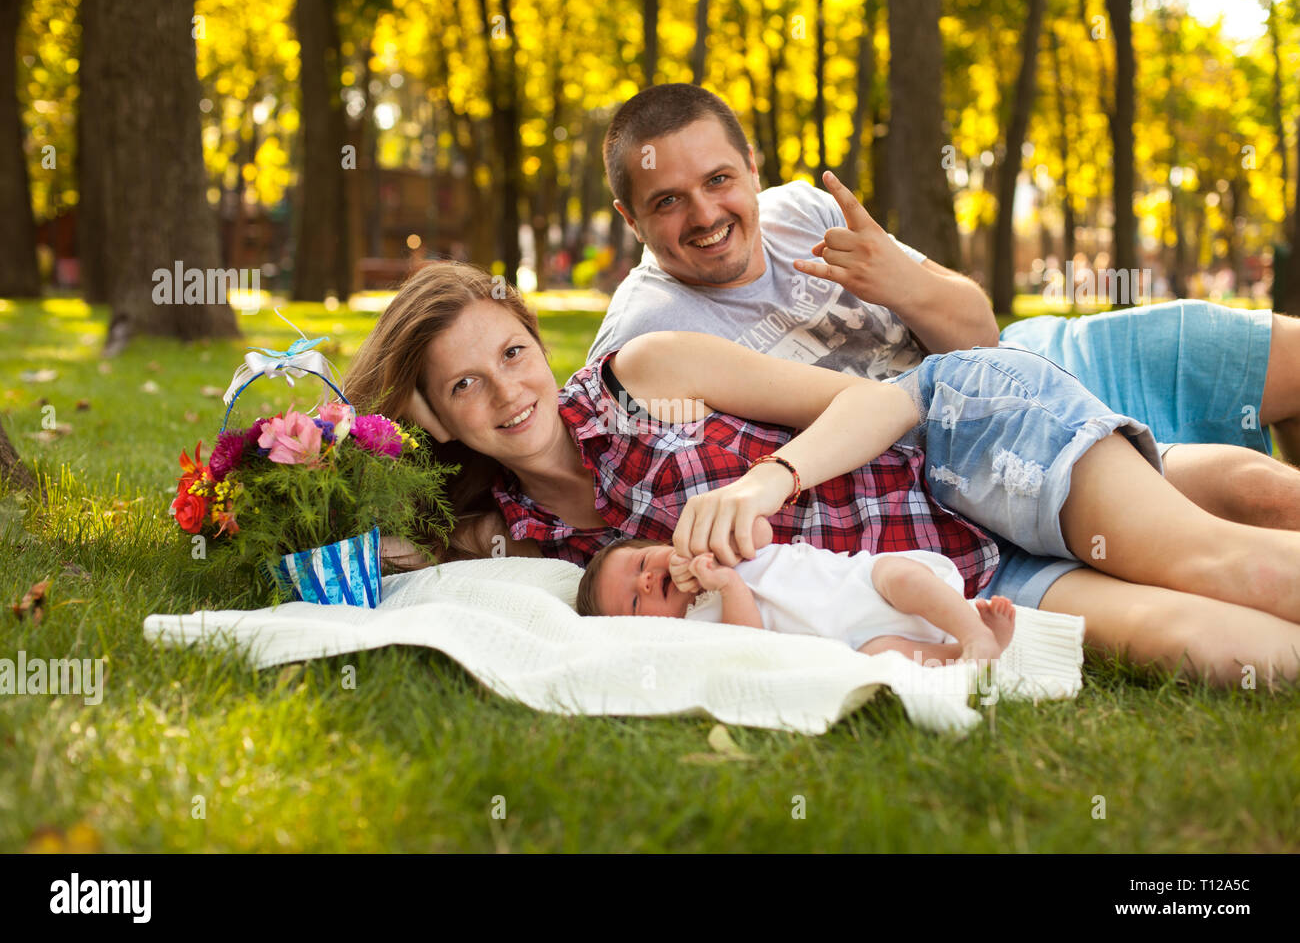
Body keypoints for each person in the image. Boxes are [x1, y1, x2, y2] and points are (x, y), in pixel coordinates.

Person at [345, 260, 1300, 687]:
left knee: (1232, 565)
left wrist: (770, 483)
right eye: (464, 385)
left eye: (513, 354)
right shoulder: (515, 534)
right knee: (1212, 649)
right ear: (432, 415)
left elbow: (888, 400)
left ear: (536, 342)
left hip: (969, 455)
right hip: (961, 586)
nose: (508, 393)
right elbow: (345, 543)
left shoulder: (643, 373)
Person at [587, 83, 1300, 532]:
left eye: (719, 180)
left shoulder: (804, 212)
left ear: (753, 169)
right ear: (629, 216)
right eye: (667, 201)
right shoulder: (646, 334)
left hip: (1037, 353)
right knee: (1263, 497)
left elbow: (978, 328)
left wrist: (900, 281)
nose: (706, 214)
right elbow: (588, 475)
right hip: (994, 446)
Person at [576, 534, 1018, 667]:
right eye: (635, 602)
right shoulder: (697, 631)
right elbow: (751, 645)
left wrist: (706, 557)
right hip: (859, 640)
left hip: (861, 583)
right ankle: (963, 653)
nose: (649, 581)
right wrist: (729, 587)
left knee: (899, 574)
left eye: (640, 564)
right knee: (885, 655)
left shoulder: (710, 546)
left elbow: (756, 528)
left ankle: (971, 629)